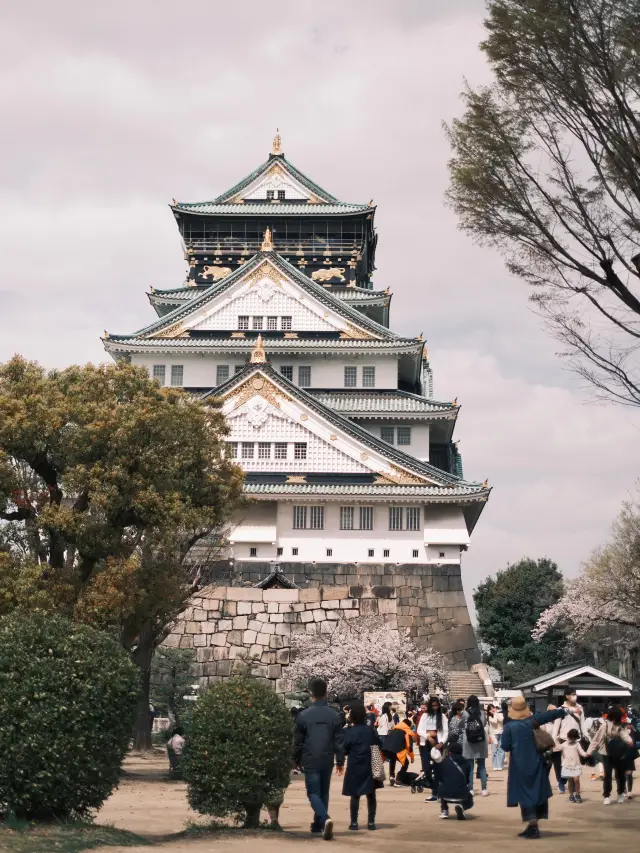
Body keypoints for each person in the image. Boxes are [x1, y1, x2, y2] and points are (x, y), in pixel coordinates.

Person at [500, 696, 566, 839]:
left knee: (525, 794)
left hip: (519, 764)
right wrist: (563, 711)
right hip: (537, 761)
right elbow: (549, 715)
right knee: (537, 791)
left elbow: (505, 746)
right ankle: (532, 825)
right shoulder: (532, 721)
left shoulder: (509, 727)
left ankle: (533, 825)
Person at [294, 677, 345, 840]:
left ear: (310, 693)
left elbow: (298, 742)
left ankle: (325, 818)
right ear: (326, 693)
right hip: (327, 758)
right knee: (324, 792)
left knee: (313, 793)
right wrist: (340, 761)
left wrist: (295, 759)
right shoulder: (334, 716)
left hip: (310, 757)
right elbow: (339, 740)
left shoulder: (303, 715)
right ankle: (318, 825)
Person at [342, 702, 382, 831]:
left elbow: (344, 749)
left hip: (354, 764)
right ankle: (371, 822)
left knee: (355, 794)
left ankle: (354, 822)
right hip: (370, 764)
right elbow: (378, 744)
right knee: (371, 794)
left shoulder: (349, 732)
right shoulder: (371, 730)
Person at [586, 704, 633, 805]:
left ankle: (620, 793)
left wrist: (629, 740)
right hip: (606, 752)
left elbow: (624, 735)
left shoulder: (620, 726)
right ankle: (607, 795)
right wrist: (589, 752)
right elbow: (596, 740)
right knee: (607, 776)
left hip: (618, 753)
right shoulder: (605, 725)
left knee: (620, 774)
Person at [417, 696, 449, 802]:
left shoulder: (443, 717)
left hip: (438, 743)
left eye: (436, 705)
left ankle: (436, 793)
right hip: (426, 742)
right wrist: (428, 736)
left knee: (437, 768)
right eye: (433, 705)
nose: (435, 707)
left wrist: (441, 742)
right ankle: (433, 787)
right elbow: (419, 730)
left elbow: (445, 731)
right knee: (426, 768)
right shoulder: (425, 715)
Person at [431, 741, 474, 820]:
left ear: (450, 752)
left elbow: (439, 778)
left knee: (442, 785)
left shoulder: (443, 762)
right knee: (470, 798)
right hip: (461, 794)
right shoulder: (467, 763)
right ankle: (462, 806)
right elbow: (467, 780)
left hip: (445, 794)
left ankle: (444, 810)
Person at [461, 695, 489, 797]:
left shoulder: (464, 713)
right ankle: (484, 789)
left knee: (470, 767)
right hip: (480, 741)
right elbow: (484, 724)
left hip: (468, 742)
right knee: (482, 766)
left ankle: (470, 789)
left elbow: (461, 726)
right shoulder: (482, 713)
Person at [383, 711, 419, 787]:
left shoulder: (395, 729)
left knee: (392, 760)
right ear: (408, 725)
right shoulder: (407, 731)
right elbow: (409, 746)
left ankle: (391, 777)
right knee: (406, 763)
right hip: (397, 750)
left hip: (386, 749)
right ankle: (399, 779)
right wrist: (412, 757)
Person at [560, 728, 587, 803]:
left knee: (576, 780)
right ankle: (571, 795)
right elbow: (557, 748)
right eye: (570, 737)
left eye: (573, 738)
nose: (571, 739)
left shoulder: (577, 744)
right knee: (570, 781)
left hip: (576, 765)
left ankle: (577, 794)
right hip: (567, 765)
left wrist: (586, 754)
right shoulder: (564, 744)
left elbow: (581, 752)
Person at [488, 704, 505, 771]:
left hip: (501, 732)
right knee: (494, 750)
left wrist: (496, 714)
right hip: (494, 734)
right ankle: (495, 765)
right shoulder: (489, 717)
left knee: (501, 750)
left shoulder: (499, 714)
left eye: (493, 708)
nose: (492, 709)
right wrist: (495, 714)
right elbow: (495, 722)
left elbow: (501, 720)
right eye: (490, 709)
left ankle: (500, 765)